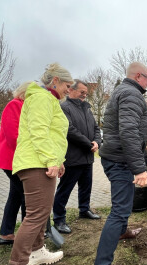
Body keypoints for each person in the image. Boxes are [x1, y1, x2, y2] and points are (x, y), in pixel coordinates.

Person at [8, 63, 73, 265]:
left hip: (41, 162)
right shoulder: (41, 98)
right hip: (36, 163)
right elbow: (39, 131)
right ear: (55, 81)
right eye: (67, 85)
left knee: (41, 212)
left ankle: (36, 252)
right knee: (36, 215)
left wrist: (58, 161)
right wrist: (51, 161)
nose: (68, 90)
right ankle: (18, 264)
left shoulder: (48, 99)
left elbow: (53, 135)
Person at [93, 62, 147, 265]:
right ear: (138, 76)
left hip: (116, 156)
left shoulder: (123, 91)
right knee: (119, 211)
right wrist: (139, 168)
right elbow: (128, 132)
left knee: (124, 203)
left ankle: (123, 231)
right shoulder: (132, 95)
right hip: (120, 160)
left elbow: (126, 128)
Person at [53, 79, 102, 234]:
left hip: (87, 157)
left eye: (86, 93)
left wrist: (97, 141)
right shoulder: (64, 107)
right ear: (71, 91)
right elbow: (69, 130)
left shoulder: (87, 109)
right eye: (82, 92)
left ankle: (84, 209)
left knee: (86, 186)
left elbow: (96, 127)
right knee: (65, 189)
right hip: (72, 157)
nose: (84, 96)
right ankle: (59, 219)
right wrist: (89, 144)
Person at [0, 81, 32, 246]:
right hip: (12, 160)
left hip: (17, 159)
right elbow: (13, 136)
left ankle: (6, 233)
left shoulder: (26, 107)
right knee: (26, 196)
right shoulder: (14, 105)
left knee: (15, 196)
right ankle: (27, 236)